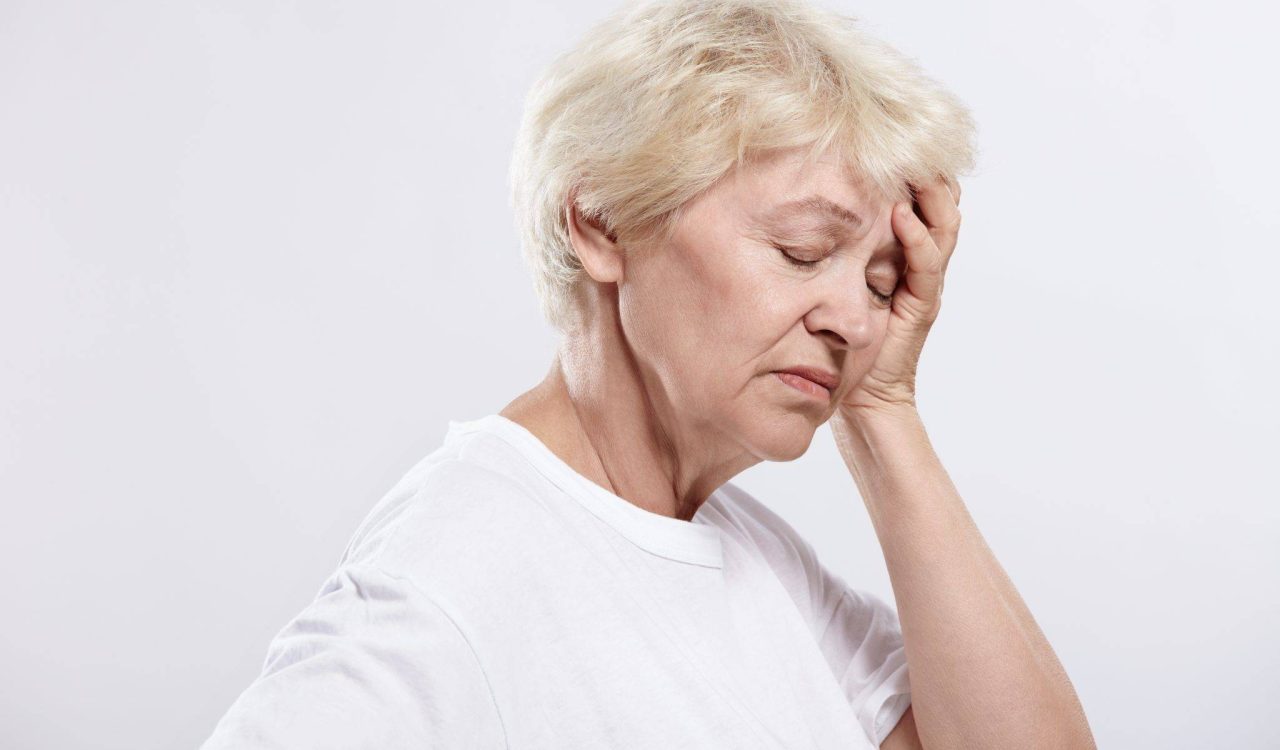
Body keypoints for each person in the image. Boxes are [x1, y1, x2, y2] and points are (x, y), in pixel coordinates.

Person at [202, 0, 1096, 747]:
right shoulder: (450, 580)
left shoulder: (759, 562)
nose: (856, 320)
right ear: (600, 222)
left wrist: (883, 405)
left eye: (880, 282)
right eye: (801, 250)